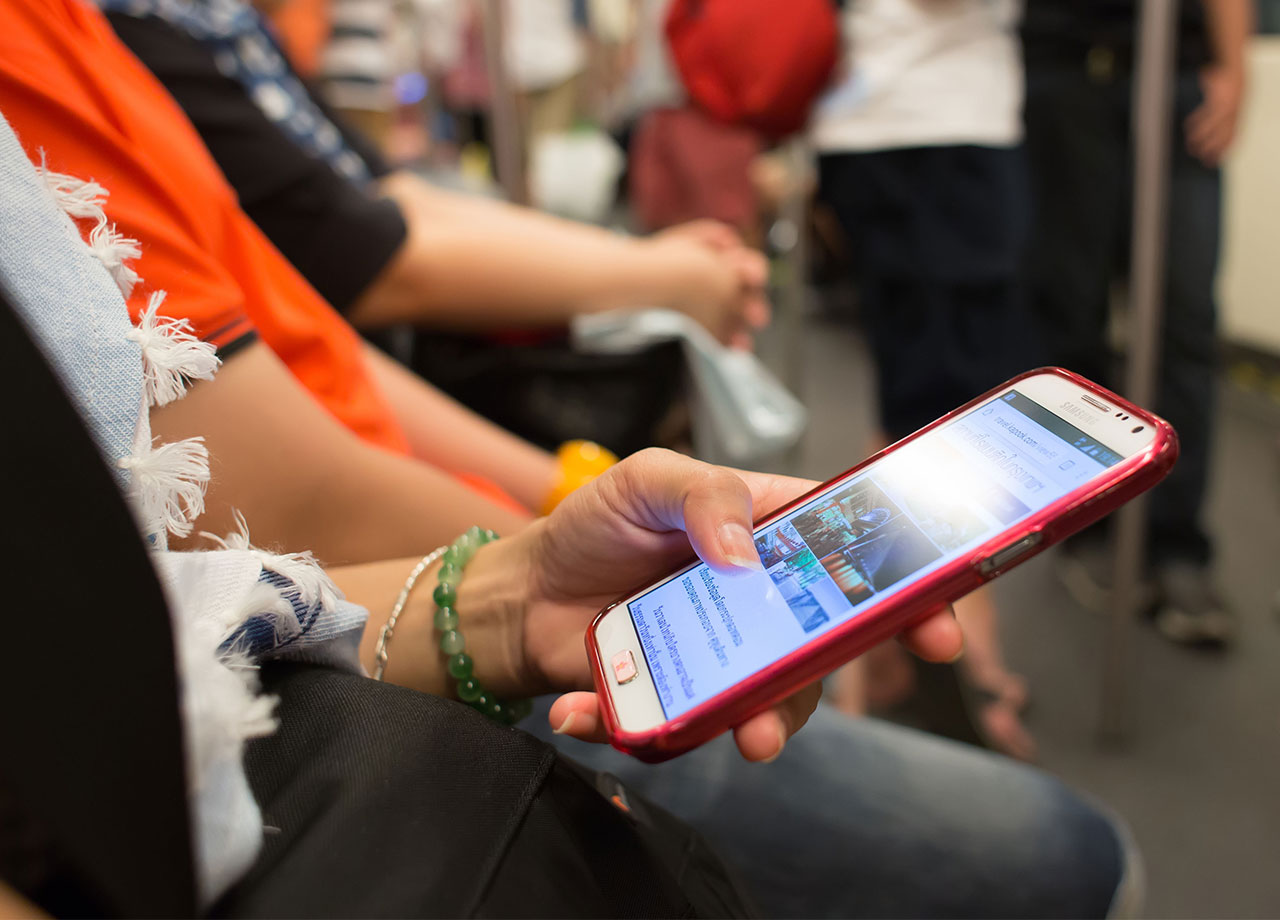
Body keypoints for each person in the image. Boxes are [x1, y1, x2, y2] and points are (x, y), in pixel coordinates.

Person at [0, 2, 1139, 914]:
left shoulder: (107, 32)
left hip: (409, 602)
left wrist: (511, 584)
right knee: (1070, 853)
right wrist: (538, 509)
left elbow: (307, 326)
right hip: (331, 684)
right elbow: (283, 450)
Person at [100, 0, 770, 354]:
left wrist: (645, 263)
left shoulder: (211, 19)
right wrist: (657, 276)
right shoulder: (136, 31)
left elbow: (391, 196)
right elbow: (373, 262)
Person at [808, 0, 1036, 759]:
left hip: (866, 116)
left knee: (911, 397)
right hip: (943, 123)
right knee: (963, 411)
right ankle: (952, 646)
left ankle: (875, 647)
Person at [1021, 0, 1250, 647]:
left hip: (1175, 74)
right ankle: (1084, 522)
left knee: (1186, 320)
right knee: (1071, 312)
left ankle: (1178, 547)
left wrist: (1234, 69)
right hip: (1064, 72)